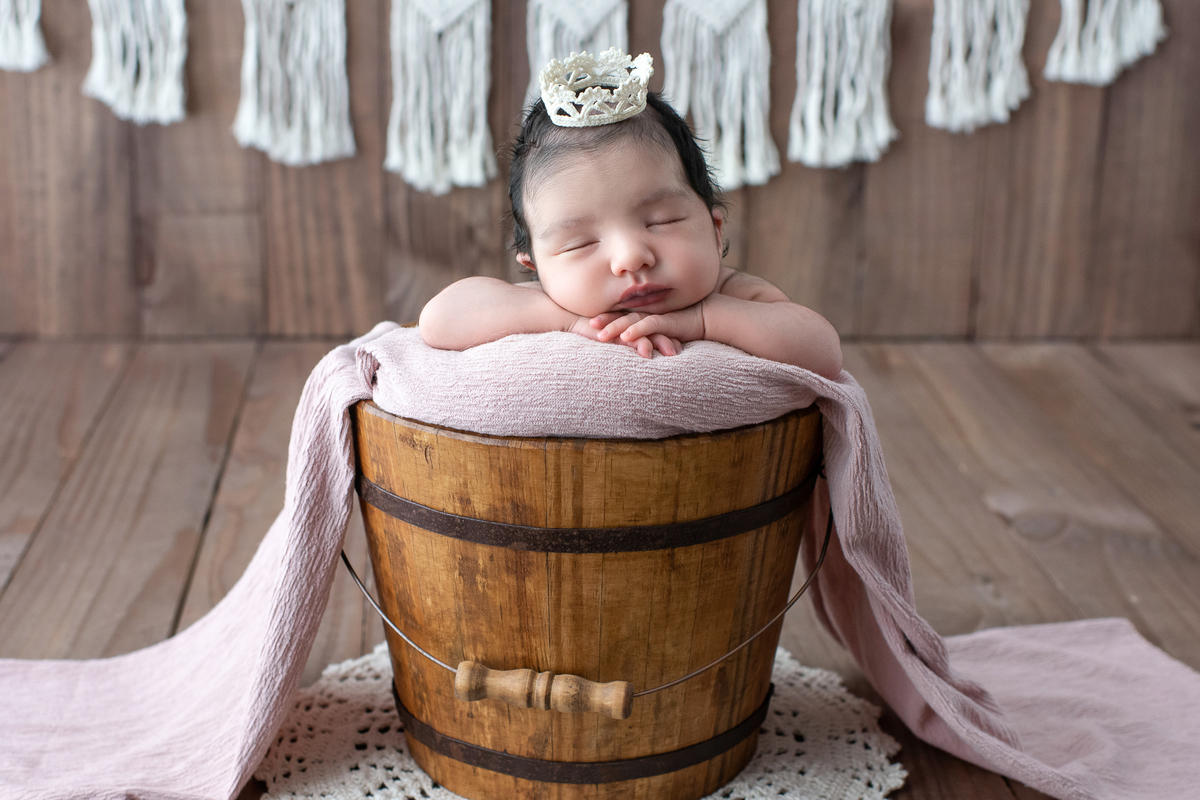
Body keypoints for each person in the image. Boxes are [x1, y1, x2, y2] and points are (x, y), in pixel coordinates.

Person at [419, 50, 842, 380]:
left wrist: (704, 319)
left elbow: (823, 351)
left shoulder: (735, 296)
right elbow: (438, 320)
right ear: (536, 267)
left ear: (714, 231)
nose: (630, 258)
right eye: (580, 242)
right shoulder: (547, 302)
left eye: (662, 222)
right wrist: (566, 321)